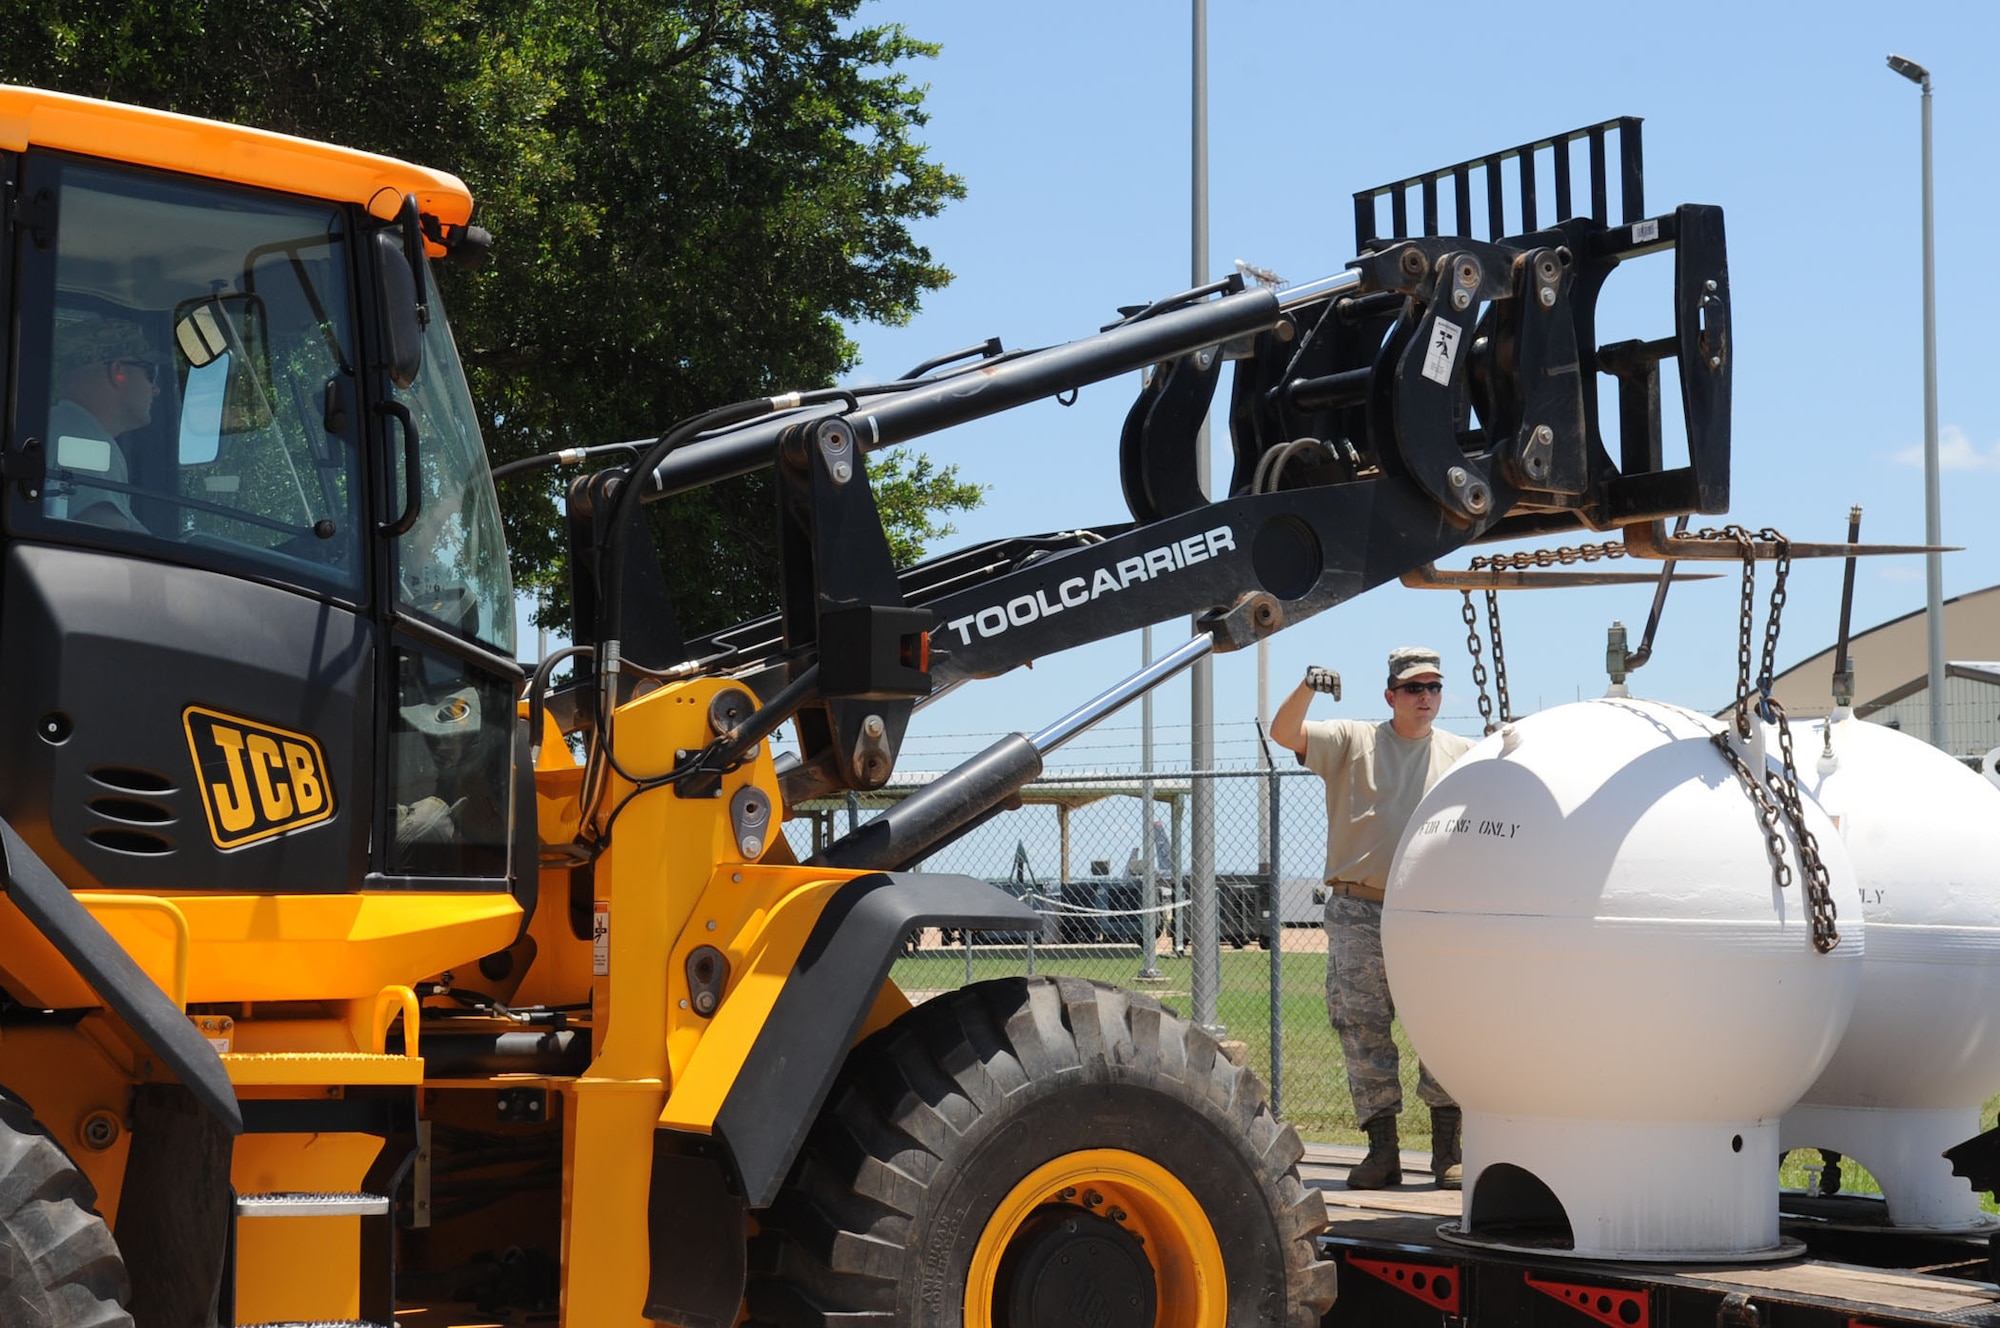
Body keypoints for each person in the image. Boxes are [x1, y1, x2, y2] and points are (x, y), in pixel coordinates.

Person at [1270, 646, 1475, 1190]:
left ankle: (1446, 1152)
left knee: (1441, 1026)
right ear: (1391, 696)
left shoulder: (1462, 753)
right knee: (1363, 1028)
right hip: (1360, 907)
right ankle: (1381, 1151)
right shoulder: (1353, 741)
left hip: (1433, 912)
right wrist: (1308, 685)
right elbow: (1284, 732)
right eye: (1413, 689)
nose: (1425, 697)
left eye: (1433, 687)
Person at [46, 314, 161, 529]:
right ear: (118, 371)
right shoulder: (87, 442)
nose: (156, 389)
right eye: (150, 373)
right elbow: (110, 546)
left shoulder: (55, 426)